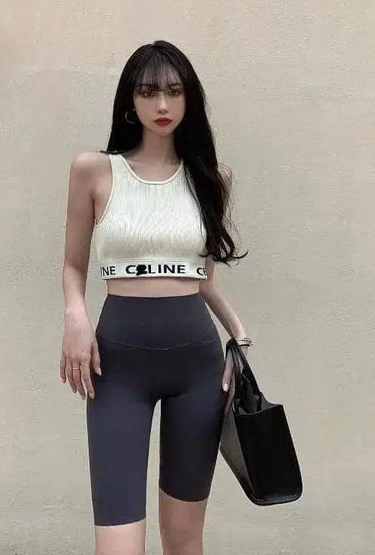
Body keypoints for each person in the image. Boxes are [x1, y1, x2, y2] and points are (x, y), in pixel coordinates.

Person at [61, 39, 251, 555]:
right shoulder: (94, 170)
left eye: (173, 91)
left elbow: (202, 277)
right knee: (118, 544)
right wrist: (75, 318)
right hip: (116, 366)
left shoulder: (210, 179)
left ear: (190, 99)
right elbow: (74, 265)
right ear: (130, 101)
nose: (162, 105)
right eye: (148, 92)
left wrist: (239, 339)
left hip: (198, 368)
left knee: (184, 540)